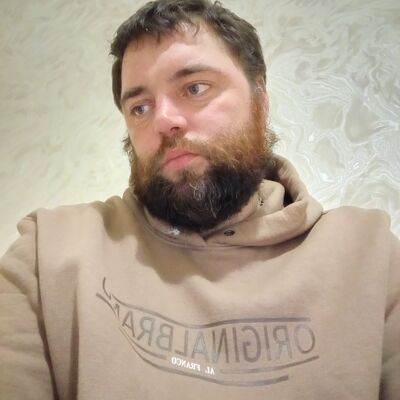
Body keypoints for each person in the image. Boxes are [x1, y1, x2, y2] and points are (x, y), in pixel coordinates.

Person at [0, 0, 399, 398]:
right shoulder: (48, 253)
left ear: (260, 99)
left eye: (195, 88)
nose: (163, 120)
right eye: (140, 107)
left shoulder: (370, 257)